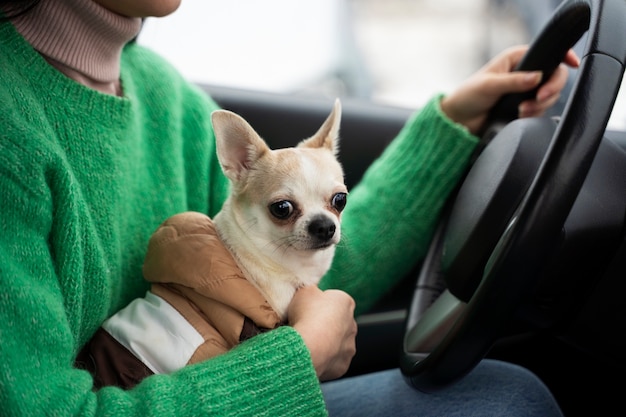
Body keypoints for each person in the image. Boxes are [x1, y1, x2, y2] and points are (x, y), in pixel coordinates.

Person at [0, 0, 579, 416]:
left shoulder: (161, 93)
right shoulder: (13, 136)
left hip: (214, 383)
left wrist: (457, 120)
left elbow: (289, 270)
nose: (322, 217)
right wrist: (295, 361)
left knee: (505, 395)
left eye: (336, 202)